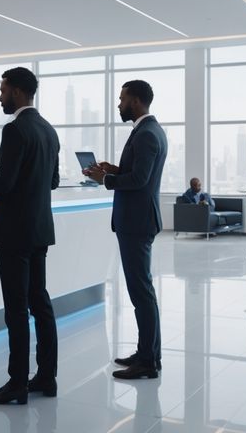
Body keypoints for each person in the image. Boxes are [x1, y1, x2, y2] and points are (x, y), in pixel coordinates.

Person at [0, 67, 60, 404]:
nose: (0, 96)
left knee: (16, 309)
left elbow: (4, 183)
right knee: (40, 303)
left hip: (14, 232)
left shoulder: (15, 129)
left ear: (18, 92)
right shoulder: (49, 130)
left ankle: (17, 382)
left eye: (3, 90)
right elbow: (53, 181)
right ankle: (46, 377)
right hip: (39, 230)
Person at [85, 79, 167, 380]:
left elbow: (141, 180)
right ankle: (147, 353)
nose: (119, 104)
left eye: (122, 99)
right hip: (139, 219)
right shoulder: (150, 130)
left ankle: (147, 362)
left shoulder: (146, 134)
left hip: (136, 221)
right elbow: (136, 172)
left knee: (141, 292)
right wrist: (114, 169)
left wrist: (104, 180)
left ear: (135, 101)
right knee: (142, 291)